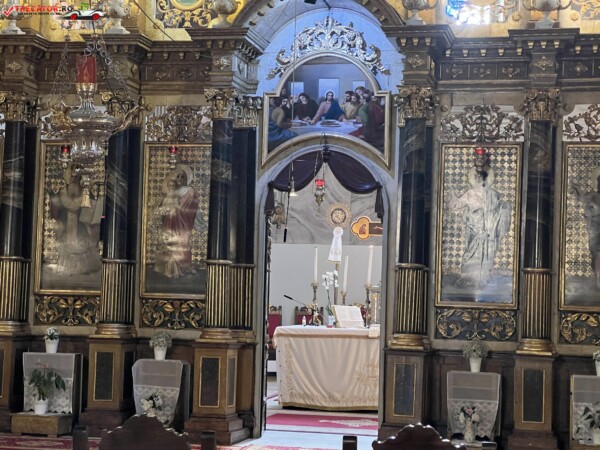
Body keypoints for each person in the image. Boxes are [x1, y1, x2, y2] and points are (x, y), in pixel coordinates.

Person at [448, 167, 512, 288]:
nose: (479, 180)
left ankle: (483, 279)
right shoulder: (469, 194)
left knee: (486, 254)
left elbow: (497, 210)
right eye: (477, 177)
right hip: (474, 231)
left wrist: (504, 208)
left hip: (487, 232)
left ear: (486, 179)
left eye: (482, 177)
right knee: (471, 254)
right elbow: (456, 206)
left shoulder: (493, 194)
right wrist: (453, 196)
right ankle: (470, 278)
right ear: (474, 178)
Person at [50, 163, 102, 275]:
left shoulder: (87, 195)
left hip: (82, 235)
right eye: (72, 177)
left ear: (81, 179)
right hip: (65, 235)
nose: (74, 180)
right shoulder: (60, 194)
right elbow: (55, 216)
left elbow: (92, 220)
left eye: (77, 177)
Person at [154, 165, 202, 279]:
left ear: (185, 178)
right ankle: (174, 269)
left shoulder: (190, 190)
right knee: (172, 243)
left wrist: (177, 209)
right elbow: (164, 207)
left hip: (184, 222)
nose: (180, 179)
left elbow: (190, 207)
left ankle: (186, 266)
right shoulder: (172, 191)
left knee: (183, 243)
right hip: (170, 221)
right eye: (178, 176)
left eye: (182, 176)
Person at [571, 172, 600, 289]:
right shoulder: (594, 195)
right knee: (597, 254)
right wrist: (577, 189)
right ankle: (598, 279)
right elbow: (582, 199)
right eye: (599, 182)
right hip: (596, 228)